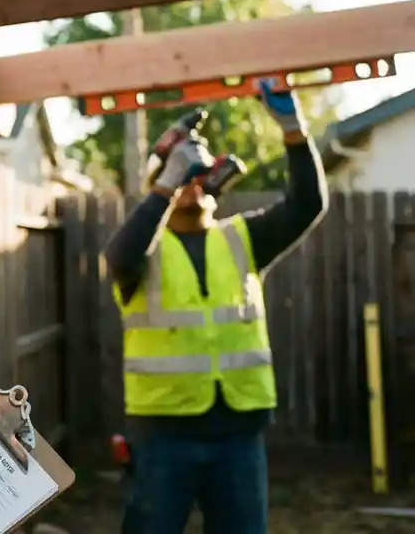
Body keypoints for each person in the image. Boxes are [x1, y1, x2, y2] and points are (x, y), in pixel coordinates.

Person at [105, 82, 328, 534]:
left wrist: (293, 129)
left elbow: (308, 204)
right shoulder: (144, 250)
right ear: (160, 184)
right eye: (176, 175)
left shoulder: (242, 239)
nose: (188, 183)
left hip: (238, 436)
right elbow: (119, 259)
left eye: (193, 174)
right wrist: (167, 181)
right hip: (162, 436)